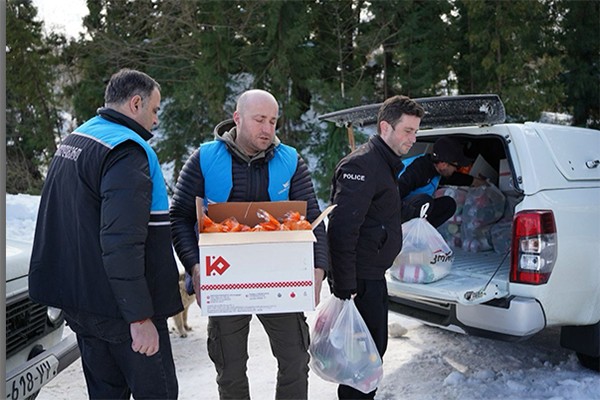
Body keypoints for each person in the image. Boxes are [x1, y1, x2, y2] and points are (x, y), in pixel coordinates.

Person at [29, 68, 183, 399]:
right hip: (123, 312)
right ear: (136, 103)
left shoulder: (77, 139)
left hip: (83, 303)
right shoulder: (127, 151)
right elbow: (122, 241)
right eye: (154, 110)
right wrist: (140, 317)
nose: (155, 121)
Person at [170, 89, 328, 400]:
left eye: (273, 121)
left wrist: (319, 269)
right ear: (237, 118)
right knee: (230, 370)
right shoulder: (204, 158)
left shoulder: (291, 160)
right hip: (226, 282)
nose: (268, 129)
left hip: (280, 280)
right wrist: (195, 267)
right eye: (259, 120)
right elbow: (179, 218)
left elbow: (313, 219)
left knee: (296, 361)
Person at [327, 95, 425, 399]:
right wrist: (345, 285)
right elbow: (342, 228)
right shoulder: (362, 164)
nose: (413, 138)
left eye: (416, 131)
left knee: (371, 356)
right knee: (362, 363)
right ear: (385, 127)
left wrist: (409, 210)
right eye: (408, 131)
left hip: (371, 276)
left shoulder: (383, 164)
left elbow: (375, 215)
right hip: (359, 281)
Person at [398, 136, 485, 227]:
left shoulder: (435, 169)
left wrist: (475, 181)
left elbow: (453, 178)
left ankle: (424, 232)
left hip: (410, 211)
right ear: (443, 164)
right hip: (393, 212)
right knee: (425, 201)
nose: (456, 170)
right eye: (457, 167)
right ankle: (409, 234)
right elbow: (391, 196)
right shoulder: (416, 171)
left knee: (448, 205)